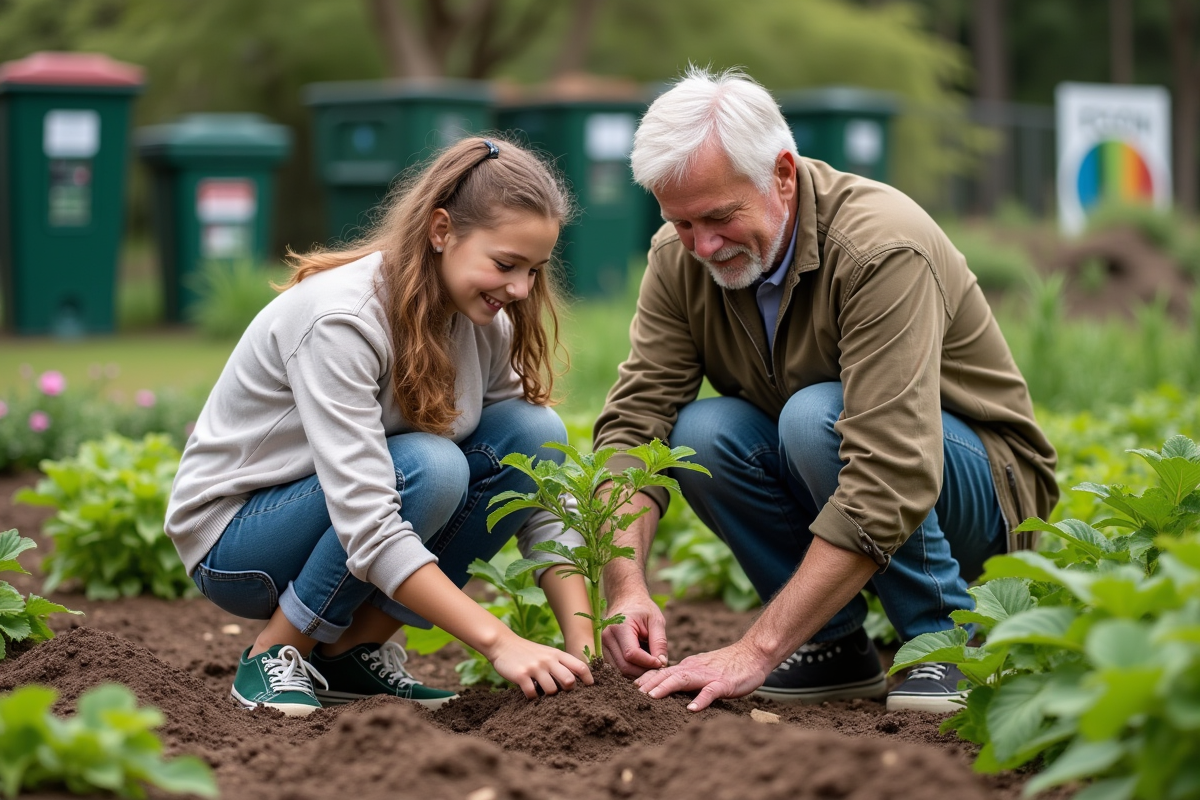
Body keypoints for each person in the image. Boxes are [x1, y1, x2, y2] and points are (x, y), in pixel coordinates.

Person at [593, 67, 1059, 714]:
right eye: (682, 223)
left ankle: (952, 641)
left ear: (782, 173)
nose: (703, 244)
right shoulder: (680, 263)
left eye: (720, 216)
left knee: (815, 417)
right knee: (698, 436)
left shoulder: (878, 248)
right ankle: (833, 649)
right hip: (844, 461)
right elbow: (633, 425)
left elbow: (888, 471)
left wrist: (755, 650)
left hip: (986, 491)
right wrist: (625, 586)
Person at [165, 137, 595, 717]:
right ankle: (275, 651)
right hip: (239, 542)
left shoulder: (482, 319)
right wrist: (501, 642)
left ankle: (348, 650)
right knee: (432, 467)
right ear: (441, 230)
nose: (520, 290)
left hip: (338, 522)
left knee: (534, 432)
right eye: (505, 264)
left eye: (534, 270)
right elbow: (367, 516)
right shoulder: (341, 320)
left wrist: (583, 644)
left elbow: (536, 483)